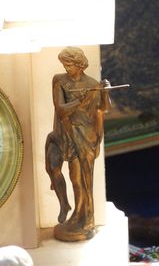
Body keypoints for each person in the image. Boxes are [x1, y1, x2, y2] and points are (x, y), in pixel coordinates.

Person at [45, 47, 111, 241]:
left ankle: (83, 217)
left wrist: (105, 93)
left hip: (84, 136)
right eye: (64, 64)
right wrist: (78, 101)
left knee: (79, 179)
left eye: (69, 64)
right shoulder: (60, 81)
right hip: (64, 134)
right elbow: (61, 109)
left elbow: (103, 109)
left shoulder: (92, 85)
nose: (66, 67)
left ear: (80, 65)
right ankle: (66, 206)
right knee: (54, 167)